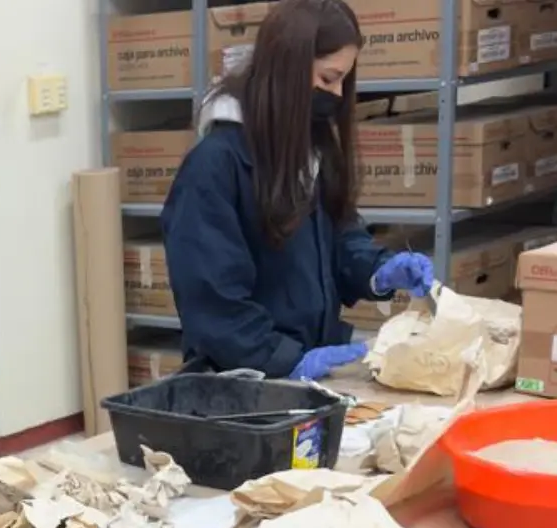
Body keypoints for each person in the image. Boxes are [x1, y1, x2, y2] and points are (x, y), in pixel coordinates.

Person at [160, 0, 434, 381]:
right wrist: (285, 361)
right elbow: (214, 304)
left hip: (304, 374)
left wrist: (379, 270)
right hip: (244, 386)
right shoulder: (215, 167)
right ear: (286, 70)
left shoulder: (310, 150)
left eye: (343, 81)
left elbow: (340, 236)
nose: (336, 95)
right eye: (326, 79)